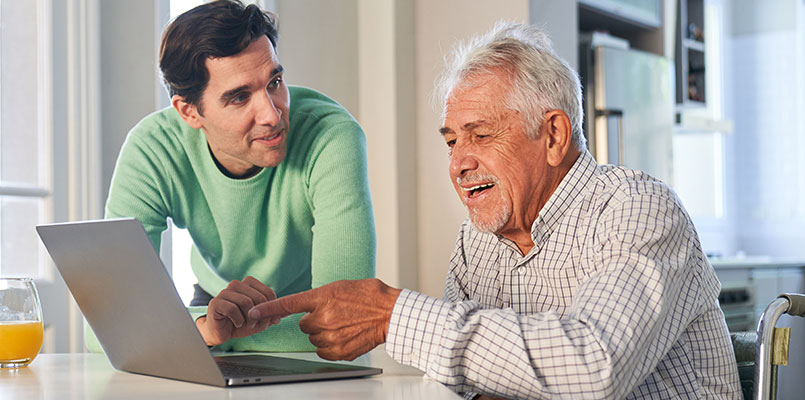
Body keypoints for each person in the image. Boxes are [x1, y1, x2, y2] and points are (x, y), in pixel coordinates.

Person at [249, 22, 741, 399]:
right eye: (451, 141)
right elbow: (457, 380)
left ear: (553, 135)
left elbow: (594, 365)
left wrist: (392, 314)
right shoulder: (478, 240)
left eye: (481, 136)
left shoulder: (637, 209)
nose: (460, 163)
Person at [100, 0, 375, 352]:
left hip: (304, 313)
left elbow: (346, 317)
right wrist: (205, 329)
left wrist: (189, 336)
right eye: (239, 97)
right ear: (189, 112)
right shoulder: (153, 149)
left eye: (275, 81)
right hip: (214, 308)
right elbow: (108, 327)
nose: (272, 115)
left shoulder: (331, 135)